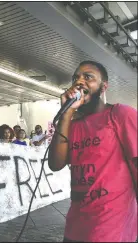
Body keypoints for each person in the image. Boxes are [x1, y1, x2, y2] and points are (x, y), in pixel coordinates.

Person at [48, 61, 137, 242]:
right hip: (76, 226)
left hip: (111, 226)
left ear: (104, 87)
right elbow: (55, 164)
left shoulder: (120, 114)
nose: (79, 81)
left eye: (88, 77)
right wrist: (66, 114)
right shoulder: (71, 125)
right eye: (75, 78)